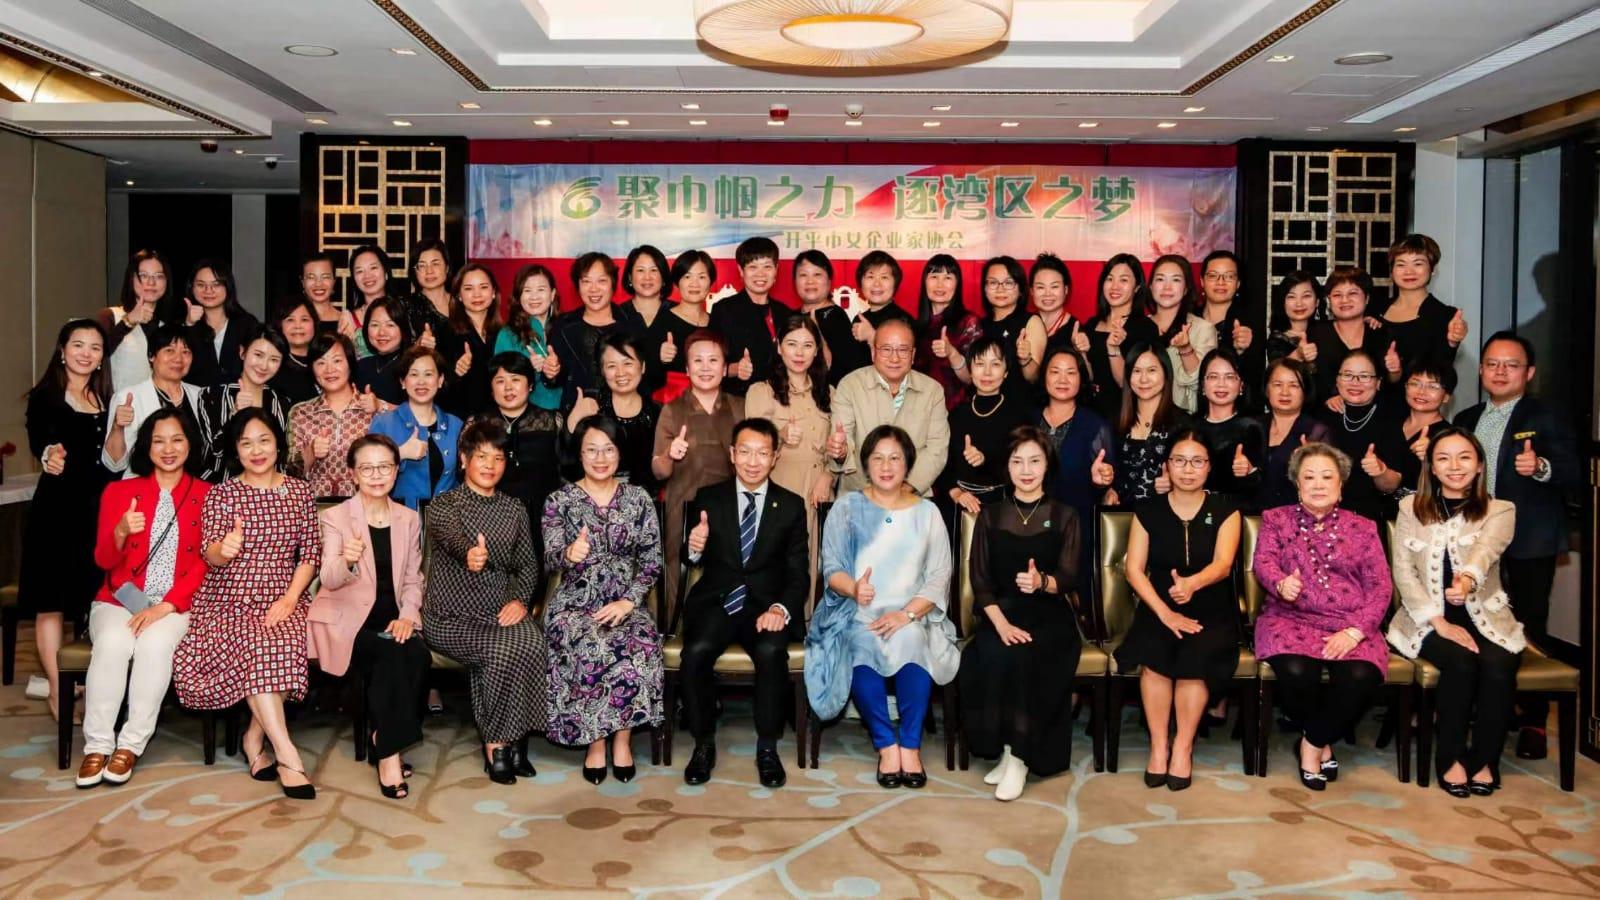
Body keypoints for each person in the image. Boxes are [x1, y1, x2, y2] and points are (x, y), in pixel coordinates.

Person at [171, 409, 321, 799]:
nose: (257, 451)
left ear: (278, 444)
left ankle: (254, 736)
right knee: (257, 643)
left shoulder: (299, 491)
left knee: (284, 642)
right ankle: (287, 754)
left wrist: (290, 598)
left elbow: (310, 555)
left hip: (283, 594)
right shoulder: (222, 494)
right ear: (236, 451)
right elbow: (210, 555)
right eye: (246, 443)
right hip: (228, 597)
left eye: (264, 440)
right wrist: (225, 548)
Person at [806, 425, 959, 789]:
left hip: (912, 614)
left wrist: (907, 614)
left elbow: (940, 575)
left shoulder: (928, 512)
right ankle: (886, 745)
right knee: (861, 643)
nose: (886, 466)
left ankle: (910, 745)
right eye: (877, 458)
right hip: (858, 612)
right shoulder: (847, 508)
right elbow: (832, 569)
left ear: (908, 464)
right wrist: (854, 588)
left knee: (912, 642)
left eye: (895, 458)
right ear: (865, 464)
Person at [1454, 331, 1581, 761]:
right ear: (1481, 370)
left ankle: (1533, 721)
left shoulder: (1546, 415)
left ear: (1529, 373)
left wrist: (1540, 466)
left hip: (1528, 540)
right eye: (1492, 364)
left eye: (1511, 365)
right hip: (1475, 542)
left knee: (1527, 627)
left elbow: (1574, 469)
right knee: (1478, 622)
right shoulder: (1467, 418)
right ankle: (1491, 707)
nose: (1500, 372)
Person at [77, 409, 209, 786]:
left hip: (175, 604)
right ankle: (97, 745)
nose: (168, 449)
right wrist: (120, 531)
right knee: (113, 642)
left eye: (177, 439)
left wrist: (165, 607)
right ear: (146, 447)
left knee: (154, 645)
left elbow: (205, 563)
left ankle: (131, 744)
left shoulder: (207, 495)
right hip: (119, 600)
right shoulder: (119, 492)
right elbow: (104, 561)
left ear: (190, 444)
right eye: (158, 441)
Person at [1251, 441, 1393, 791]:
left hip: (1349, 621)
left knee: (1360, 675)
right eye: (1309, 476)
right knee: (1297, 671)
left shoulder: (1363, 527)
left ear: (1340, 484)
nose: (1318, 484)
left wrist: (1356, 631)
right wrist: (1281, 583)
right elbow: (1263, 562)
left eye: (1327, 477)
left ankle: (1312, 742)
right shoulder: (1276, 519)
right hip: (1290, 617)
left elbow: (1380, 587)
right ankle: (1322, 742)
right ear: (1297, 483)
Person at [1388, 428, 1521, 795]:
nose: (1454, 466)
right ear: (1431, 467)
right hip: (1425, 619)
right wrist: (1439, 622)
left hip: (1486, 618)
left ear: (1479, 466)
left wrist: (1466, 581)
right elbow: (1404, 571)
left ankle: (1486, 760)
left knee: (1499, 665)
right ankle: (1450, 759)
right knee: (1460, 663)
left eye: (1464, 457)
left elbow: (1486, 552)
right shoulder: (1410, 507)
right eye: (1443, 458)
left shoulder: (1500, 510)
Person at [679, 418, 810, 788]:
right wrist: (694, 547)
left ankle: (767, 747)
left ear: (775, 457)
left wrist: (780, 609)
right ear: (733, 454)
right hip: (718, 602)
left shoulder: (791, 505)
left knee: (771, 651)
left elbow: (798, 573)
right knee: (696, 651)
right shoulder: (709, 498)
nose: (754, 461)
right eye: (746, 452)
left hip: (765, 607)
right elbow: (689, 557)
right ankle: (703, 743)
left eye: (762, 453)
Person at [958, 426, 1083, 801]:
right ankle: (1007, 748)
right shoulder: (991, 516)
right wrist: (1001, 624)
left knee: (1028, 655)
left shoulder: (1065, 515)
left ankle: (1019, 758)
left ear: (1048, 466)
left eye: (1034, 461)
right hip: (1001, 613)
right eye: (1017, 462)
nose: (1026, 470)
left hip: (1050, 615)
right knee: (992, 653)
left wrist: (1042, 581)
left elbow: (1069, 577)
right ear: (1007, 467)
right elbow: (980, 581)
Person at [1114, 432, 1241, 791]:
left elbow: (1223, 565)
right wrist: (1164, 612)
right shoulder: (1148, 510)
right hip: (1158, 604)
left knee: (1195, 655)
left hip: (1209, 604)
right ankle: (1159, 746)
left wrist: (1192, 584)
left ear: (1209, 467)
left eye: (1197, 461)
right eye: (1180, 461)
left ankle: (1183, 747)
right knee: (1154, 655)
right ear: (1167, 466)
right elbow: (1134, 569)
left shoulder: (1226, 510)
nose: (1188, 469)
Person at [542, 416, 665, 784]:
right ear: (579, 455)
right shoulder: (559, 500)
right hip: (575, 602)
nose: (600, 458)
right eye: (591, 450)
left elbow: (652, 562)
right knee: (590, 642)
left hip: (625, 600)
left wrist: (628, 602)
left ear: (619, 453)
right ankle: (595, 742)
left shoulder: (638, 498)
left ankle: (622, 741)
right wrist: (569, 553)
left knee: (639, 642)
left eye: (608, 449)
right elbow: (549, 558)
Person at [423, 420, 547, 784]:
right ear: (464, 460)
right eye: (481, 456)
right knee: (499, 650)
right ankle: (496, 746)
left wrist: (520, 601)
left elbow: (528, 565)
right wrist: (470, 554)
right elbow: (452, 539)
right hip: (450, 616)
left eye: (498, 457)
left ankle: (517, 739)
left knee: (532, 641)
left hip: (499, 610)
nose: (490, 465)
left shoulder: (514, 508)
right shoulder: (444, 505)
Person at [308, 434, 430, 799]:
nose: (376, 475)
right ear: (353, 474)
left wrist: (408, 615)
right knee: (391, 655)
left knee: (417, 655)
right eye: (367, 468)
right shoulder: (336, 517)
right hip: (348, 620)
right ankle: (389, 756)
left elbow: (414, 579)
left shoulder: (408, 519)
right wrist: (346, 560)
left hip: (392, 618)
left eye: (384, 467)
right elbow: (328, 578)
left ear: (396, 471)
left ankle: (382, 737)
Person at [22, 319, 113, 718]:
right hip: (56, 511)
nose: (85, 353)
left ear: (102, 357)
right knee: (51, 602)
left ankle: (88, 683)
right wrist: (49, 455)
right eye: (78, 345)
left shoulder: (107, 398)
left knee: (94, 599)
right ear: (62, 350)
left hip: (99, 512)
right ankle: (58, 690)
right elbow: (40, 439)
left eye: (95, 347)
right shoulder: (45, 396)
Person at [654, 330, 744, 615]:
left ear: (725, 367)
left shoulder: (739, 407)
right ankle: (673, 629)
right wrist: (670, 455)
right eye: (698, 361)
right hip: (682, 504)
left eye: (713, 360)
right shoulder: (672, 410)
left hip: (729, 508)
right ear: (687, 368)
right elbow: (658, 470)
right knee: (677, 570)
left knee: (727, 573)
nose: (705, 368)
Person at [743, 316, 834, 598]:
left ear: (817, 351)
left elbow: (841, 444)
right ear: (779, 347)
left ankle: (808, 623)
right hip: (778, 489)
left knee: (814, 567)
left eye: (808, 345)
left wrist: (829, 475)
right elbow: (751, 447)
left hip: (818, 492)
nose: (799, 352)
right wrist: (780, 434)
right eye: (792, 344)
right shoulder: (761, 391)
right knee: (777, 567)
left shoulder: (829, 393)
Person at [828, 319, 950, 496]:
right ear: (873, 352)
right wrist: (841, 452)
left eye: (903, 350)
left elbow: (937, 449)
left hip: (912, 497)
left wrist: (904, 490)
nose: (894, 358)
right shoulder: (850, 385)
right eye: (886, 349)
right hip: (859, 496)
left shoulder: (932, 391)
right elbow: (843, 440)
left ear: (913, 355)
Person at [940, 337, 1036, 516]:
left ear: (1006, 372)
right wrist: (956, 492)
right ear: (970, 370)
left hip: (1002, 507)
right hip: (957, 505)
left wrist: (985, 460)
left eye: (995, 364)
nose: (987, 372)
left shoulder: (1019, 417)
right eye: (979, 364)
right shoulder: (956, 414)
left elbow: (1025, 467)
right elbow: (942, 463)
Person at [479, 352, 564, 536]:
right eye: (500, 381)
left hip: (544, 519)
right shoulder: (478, 424)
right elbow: (463, 473)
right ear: (491, 388)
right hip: (491, 519)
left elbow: (566, 471)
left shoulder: (551, 421)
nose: (508, 388)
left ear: (530, 384)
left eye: (515, 379)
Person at [563, 334, 659, 494]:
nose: (620, 373)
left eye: (627, 363)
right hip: (592, 498)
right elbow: (567, 465)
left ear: (642, 367)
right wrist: (573, 422)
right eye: (611, 366)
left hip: (643, 501)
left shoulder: (658, 413)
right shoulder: (590, 406)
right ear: (602, 370)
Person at [102, 325, 203, 478]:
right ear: (151, 356)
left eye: (186, 352)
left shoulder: (200, 395)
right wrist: (117, 428)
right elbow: (114, 464)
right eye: (169, 350)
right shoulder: (127, 397)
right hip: (144, 486)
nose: (178, 359)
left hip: (192, 486)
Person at [1035, 347, 1115, 538]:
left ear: (1081, 379)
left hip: (1075, 529)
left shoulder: (1095, 425)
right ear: (1044, 376)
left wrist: (1102, 483)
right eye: (1055, 372)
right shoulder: (1027, 421)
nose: (1062, 380)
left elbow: (1106, 486)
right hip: (1029, 525)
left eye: (1071, 373)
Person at [369, 346, 461, 510]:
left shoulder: (455, 425)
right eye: (413, 374)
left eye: (428, 374)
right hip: (399, 518)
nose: (421, 382)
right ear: (403, 382)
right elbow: (367, 471)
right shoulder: (383, 423)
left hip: (448, 519)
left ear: (440, 380)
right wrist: (400, 453)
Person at [287, 333, 378, 499]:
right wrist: (311, 453)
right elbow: (291, 474)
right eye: (321, 363)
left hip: (364, 506)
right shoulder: (300, 412)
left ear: (350, 363)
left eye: (337, 360)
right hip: (315, 507)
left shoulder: (372, 409)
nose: (329, 370)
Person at [1318, 349, 1403, 522]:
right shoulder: (1322, 416)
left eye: (1364, 376)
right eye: (1348, 375)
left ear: (1378, 382)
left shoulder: (1390, 420)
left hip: (1367, 520)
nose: (1355, 382)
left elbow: (1391, 486)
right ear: (1337, 380)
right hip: (1320, 517)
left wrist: (1380, 471)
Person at [196, 327, 289, 482]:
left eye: (274, 360)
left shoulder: (281, 402)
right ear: (242, 352)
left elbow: (282, 457)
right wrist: (235, 413)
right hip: (220, 485)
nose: (264, 366)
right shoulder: (212, 395)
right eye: (258, 355)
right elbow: (217, 451)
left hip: (267, 488)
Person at [550, 252, 641, 405]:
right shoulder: (564, 325)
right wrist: (551, 373)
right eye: (586, 281)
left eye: (601, 281)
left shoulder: (632, 323)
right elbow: (556, 380)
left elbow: (645, 377)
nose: (594, 289)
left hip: (623, 411)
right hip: (577, 412)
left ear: (613, 284)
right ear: (578, 286)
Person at [1106, 344, 1188, 506]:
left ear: (1166, 373)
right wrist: (1107, 489)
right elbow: (1107, 475)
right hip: (1121, 516)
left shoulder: (1183, 425)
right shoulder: (1113, 423)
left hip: (1165, 516)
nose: (1143, 379)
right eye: (1136, 371)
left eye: (1152, 370)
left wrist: (1176, 483)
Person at [711, 237, 792, 397]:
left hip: (781, 400)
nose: (760, 274)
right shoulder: (724, 310)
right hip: (738, 399)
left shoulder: (785, 314)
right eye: (753, 267)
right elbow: (709, 362)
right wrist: (734, 369)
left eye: (767, 267)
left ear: (776, 269)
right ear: (741, 271)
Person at [1308, 267, 1399, 404]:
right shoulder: (1315, 333)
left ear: (1367, 298)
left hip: (1374, 411)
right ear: (1329, 300)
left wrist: (1395, 370)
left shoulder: (1382, 333)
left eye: (1353, 293)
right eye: (1337, 295)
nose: (1345, 300)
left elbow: (1392, 382)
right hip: (1324, 412)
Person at [1378, 234, 1468, 372]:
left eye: (1418, 264)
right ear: (1392, 270)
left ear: (1433, 269)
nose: (1409, 271)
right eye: (1401, 264)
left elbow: (1442, 371)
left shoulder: (1444, 315)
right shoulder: (1375, 309)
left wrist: (1452, 343)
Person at [1085, 254, 1158, 422]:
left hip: (1125, 415)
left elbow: (1129, 384)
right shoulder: (1091, 325)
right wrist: (1081, 352)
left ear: (1137, 287)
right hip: (1090, 412)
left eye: (1124, 280)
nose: (1115, 286)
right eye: (1110, 279)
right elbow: (1086, 377)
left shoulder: (1145, 328)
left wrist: (1114, 349)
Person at [100, 249, 181, 393]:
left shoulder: (167, 327)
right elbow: (96, 354)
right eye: (143, 275)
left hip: (159, 404)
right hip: (121, 404)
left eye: (158, 276)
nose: (151, 282)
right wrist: (128, 321)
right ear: (131, 279)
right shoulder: (111, 316)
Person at [1145, 254, 1217, 413]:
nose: (1167, 287)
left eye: (1176, 280)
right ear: (1150, 286)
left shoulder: (1203, 329)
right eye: (1160, 279)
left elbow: (1204, 383)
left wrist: (1186, 349)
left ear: (1185, 289)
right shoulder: (1139, 326)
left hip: (1184, 418)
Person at [1194, 349, 1265, 507]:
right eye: (1213, 377)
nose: (1221, 384)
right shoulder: (1189, 427)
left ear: (1241, 386)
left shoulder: (1251, 428)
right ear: (1202, 385)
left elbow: (1261, 490)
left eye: (1230, 377)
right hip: (1193, 512)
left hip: (1235, 512)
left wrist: (1249, 471)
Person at [1258, 358, 1331, 510]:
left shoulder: (1316, 432)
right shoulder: (1252, 426)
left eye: (1294, 385)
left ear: (1305, 392)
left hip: (1297, 516)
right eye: (1278, 384)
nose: (1285, 392)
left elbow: (1329, 485)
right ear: (1267, 389)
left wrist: (1309, 462)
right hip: (1250, 515)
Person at [915, 253, 983, 408]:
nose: (940, 285)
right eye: (934, 277)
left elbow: (973, 379)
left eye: (947, 278)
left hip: (957, 410)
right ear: (924, 282)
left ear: (957, 284)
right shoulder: (916, 326)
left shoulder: (968, 322)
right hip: (920, 410)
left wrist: (952, 353)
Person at [494, 263, 565, 411]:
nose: (534, 297)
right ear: (519, 296)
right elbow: (499, 381)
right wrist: (527, 368)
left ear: (552, 294)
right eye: (527, 290)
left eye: (541, 289)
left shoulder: (566, 327)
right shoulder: (508, 334)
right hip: (528, 415)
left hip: (568, 411)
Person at [647, 249, 714, 402]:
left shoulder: (716, 322)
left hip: (710, 404)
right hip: (674, 405)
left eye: (702, 277)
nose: (694, 284)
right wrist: (660, 358)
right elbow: (645, 374)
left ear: (710, 282)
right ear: (677, 282)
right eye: (687, 276)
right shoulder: (664, 320)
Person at [183, 259, 260, 389]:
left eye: (216, 284)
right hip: (196, 397)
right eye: (201, 285)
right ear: (192, 288)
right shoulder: (183, 325)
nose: (208, 290)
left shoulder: (247, 324)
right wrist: (189, 325)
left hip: (240, 396)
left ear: (227, 287)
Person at [1384, 359, 1455, 499]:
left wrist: (1434, 455)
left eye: (1433, 386)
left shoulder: (1449, 436)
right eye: (1415, 384)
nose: (1422, 392)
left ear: (1446, 397)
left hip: (1425, 509)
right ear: (1405, 387)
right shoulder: (1389, 424)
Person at [792, 249, 862, 386]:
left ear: (829, 281)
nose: (810, 281)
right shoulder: (790, 316)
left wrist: (815, 331)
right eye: (803, 275)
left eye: (817, 274)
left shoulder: (836, 317)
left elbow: (840, 368)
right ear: (794, 281)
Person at [440, 263, 502, 419]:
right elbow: (437, 384)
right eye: (469, 288)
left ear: (494, 292)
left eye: (483, 287)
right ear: (459, 295)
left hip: (497, 419)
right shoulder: (445, 332)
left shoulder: (504, 333)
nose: (477, 295)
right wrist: (456, 372)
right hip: (459, 419)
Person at [978, 255, 1047, 386]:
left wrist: (1025, 359)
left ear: (1020, 289)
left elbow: (1033, 377)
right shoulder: (978, 324)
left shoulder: (1031, 322)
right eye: (993, 283)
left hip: (1018, 397)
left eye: (1008, 283)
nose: (1000, 289)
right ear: (984, 289)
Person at [1197, 250, 1261, 394]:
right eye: (1213, 276)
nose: (1221, 282)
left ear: (1238, 283)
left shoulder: (1249, 322)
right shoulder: (1189, 320)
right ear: (1202, 281)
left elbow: (1257, 376)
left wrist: (1241, 352)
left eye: (1229, 276)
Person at [1030, 252, 1091, 363]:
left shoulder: (1076, 330)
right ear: (1031, 291)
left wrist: (1082, 352)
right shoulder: (1024, 323)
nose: (1047, 294)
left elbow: (1089, 373)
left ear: (1066, 289)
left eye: (1054, 286)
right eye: (1040, 287)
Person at [847, 250, 915, 349]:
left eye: (884, 277)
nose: (877, 284)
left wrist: (872, 336)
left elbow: (901, 356)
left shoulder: (903, 320)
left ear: (895, 283)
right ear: (860, 283)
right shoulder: (859, 320)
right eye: (870, 277)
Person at [1264, 271, 1325, 379]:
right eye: (1291, 297)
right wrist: (1298, 355)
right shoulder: (1277, 340)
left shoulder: (1327, 332)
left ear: (1317, 302)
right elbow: (1276, 376)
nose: (1299, 303)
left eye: (1306, 296)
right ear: (1283, 302)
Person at [353, 297, 412, 405]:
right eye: (375, 325)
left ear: (403, 328)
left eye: (390, 325)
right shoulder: (360, 366)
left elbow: (420, 411)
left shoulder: (412, 367)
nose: (381, 333)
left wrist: (381, 406)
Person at [401, 238, 455, 351]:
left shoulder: (463, 302)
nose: (429, 271)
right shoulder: (405, 306)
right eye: (422, 265)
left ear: (447, 267)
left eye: (435, 264)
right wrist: (418, 347)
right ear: (415, 272)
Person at [345, 244, 397, 358]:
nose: (367, 276)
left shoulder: (404, 309)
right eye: (360, 271)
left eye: (373, 268)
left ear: (386, 272)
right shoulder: (348, 319)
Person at [268, 298, 321, 407]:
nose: (298, 326)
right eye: (290, 320)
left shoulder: (324, 360)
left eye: (304, 320)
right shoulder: (274, 367)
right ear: (279, 325)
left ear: (314, 324)